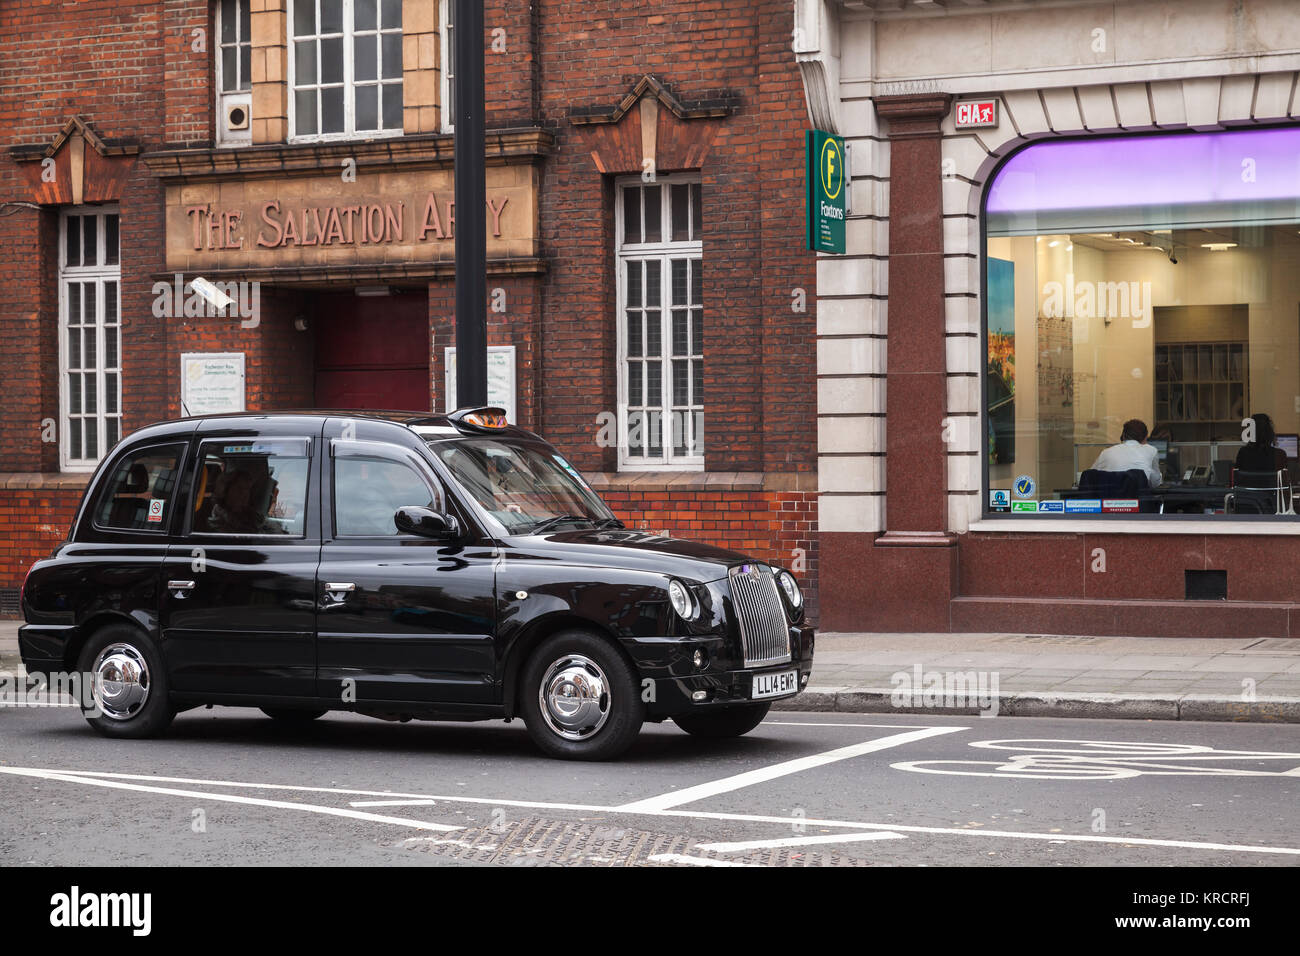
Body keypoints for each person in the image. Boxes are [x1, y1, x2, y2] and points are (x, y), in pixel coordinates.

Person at [1093, 418, 1162, 488]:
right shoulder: (1151, 450)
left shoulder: (1106, 453)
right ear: (1145, 438)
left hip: (1111, 497)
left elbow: (1089, 477)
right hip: (1139, 498)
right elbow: (1155, 483)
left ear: (1123, 436)